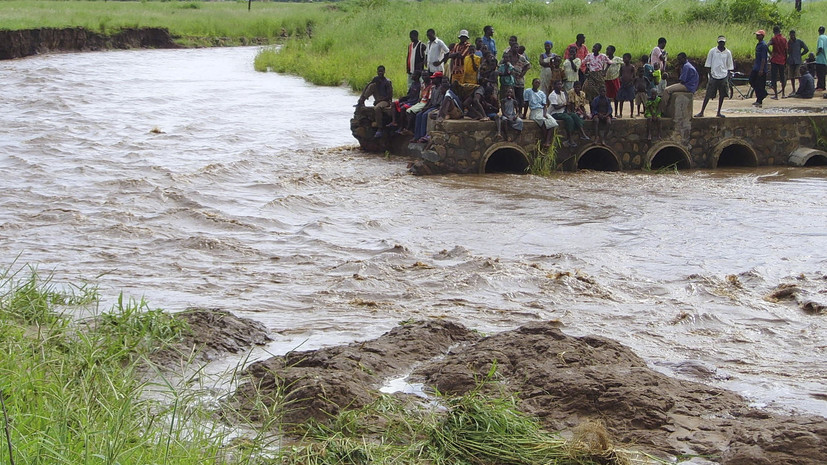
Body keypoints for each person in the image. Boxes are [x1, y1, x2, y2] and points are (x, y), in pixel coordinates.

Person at [695, 36, 734, 118]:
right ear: (718, 42)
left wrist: (727, 76)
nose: (721, 44)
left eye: (723, 42)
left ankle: (719, 112)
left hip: (723, 75)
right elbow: (708, 65)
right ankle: (702, 111)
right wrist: (710, 75)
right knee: (708, 94)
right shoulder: (712, 51)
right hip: (713, 75)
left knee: (722, 95)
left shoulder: (728, 53)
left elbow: (729, 66)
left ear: (724, 43)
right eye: (720, 42)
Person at [356, 65, 394, 138]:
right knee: (372, 86)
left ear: (384, 72)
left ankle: (380, 128)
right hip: (378, 98)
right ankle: (361, 101)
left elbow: (389, 96)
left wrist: (379, 100)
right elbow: (368, 86)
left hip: (385, 100)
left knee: (377, 108)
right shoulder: (376, 79)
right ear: (377, 72)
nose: (380, 73)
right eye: (379, 71)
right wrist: (362, 98)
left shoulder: (387, 82)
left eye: (381, 71)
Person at [549, 80, 588, 147]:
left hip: (563, 112)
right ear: (554, 86)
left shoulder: (562, 93)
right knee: (569, 119)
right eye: (558, 84)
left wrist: (568, 110)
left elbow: (567, 105)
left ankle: (582, 133)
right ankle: (570, 138)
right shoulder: (552, 95)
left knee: (574, 116)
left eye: (560, 84)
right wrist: (565, 105)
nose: (560, 86)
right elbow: (556, 107)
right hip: (555, 113)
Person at [524, 78, 558, 147]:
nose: (537, 84)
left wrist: (545, 113)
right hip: (534, 111)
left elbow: (544, 105)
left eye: (538, 83)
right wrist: (524, 114)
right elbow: (526, 104)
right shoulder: (528, 91)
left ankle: (547, 141)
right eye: (536, 82)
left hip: (541, 110)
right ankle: (546, 140)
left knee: (552, 123)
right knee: (542, 122)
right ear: (532, 83)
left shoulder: (541, 93)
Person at [786, 30, 809, 95]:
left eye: (793, 35)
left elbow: (806, 49)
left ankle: (801, 89)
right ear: (789, 35)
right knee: (791, 76)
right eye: (791, 35)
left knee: (799, 75)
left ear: (795, 35)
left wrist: (800, 54)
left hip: (798, 61)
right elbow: (788, 52)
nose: (792, 36)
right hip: (791, 61)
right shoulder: (788, 43)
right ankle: (793, 90)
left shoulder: (799, 42)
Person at [751, 30, 769, 107]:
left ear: (762, 36)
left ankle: (759, 100)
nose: (757, 36)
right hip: (756, 67)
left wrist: (761, 69)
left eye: (758, 35)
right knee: (751, 81)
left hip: (760, 68)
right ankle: (763, 93)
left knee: (760, 84)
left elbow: (763, 59)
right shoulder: (759, 45)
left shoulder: (763, 45)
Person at [768, 26, 788, 99]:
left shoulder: (773, 39)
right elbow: (786, 51)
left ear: (774, 31)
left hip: (775, 60)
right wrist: (786, 60)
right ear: (780, 31)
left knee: (774, 77)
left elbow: (767, 45)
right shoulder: (784, 39)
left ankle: (776, 95)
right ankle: (783, 93)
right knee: (782, 77)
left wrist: (771, 53)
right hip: (782, 60)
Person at [513, 45, 531, 117]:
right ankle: (514, 111)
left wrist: (522, 73)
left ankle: (520, 112)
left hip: (519, 80)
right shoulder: (510, 56)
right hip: (511, 80)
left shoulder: (522, 58)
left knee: (520, 96)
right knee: (513, 96)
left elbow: (528, 65)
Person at [604, 45, 623, 110]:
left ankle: (616, 111)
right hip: (606, 79)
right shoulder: (605, 58)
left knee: (616, 96)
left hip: (615, 78)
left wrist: (620, 74)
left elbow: (624, 64)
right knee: (607, 96)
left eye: (608, 50)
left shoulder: (617, 59)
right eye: (606, 50)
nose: (606, 51)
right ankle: (608, 110)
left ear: (613, 51)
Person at [617, 53, 636, 118]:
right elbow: (620, 75)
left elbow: (634, 76)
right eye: (623, 58)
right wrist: (620, 79)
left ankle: (631, 114)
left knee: (631, 100)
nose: (624, 59)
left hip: (630, 85)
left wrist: (631, 82)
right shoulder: (622, 67)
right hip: (623, 85)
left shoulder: (632, 67)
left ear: (629, 59)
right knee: (621, 99)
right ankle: (620, 113)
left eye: (625, 58)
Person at [816, 26, 827, 91]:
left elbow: (820, 47)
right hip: (825, 59)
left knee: (819, 74)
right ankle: (822, 86)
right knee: (823, 74)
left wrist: (817, 53)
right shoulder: (826, 37)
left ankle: (820, 86)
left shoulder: (820, 38)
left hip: (820, 59)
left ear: (819, 31)